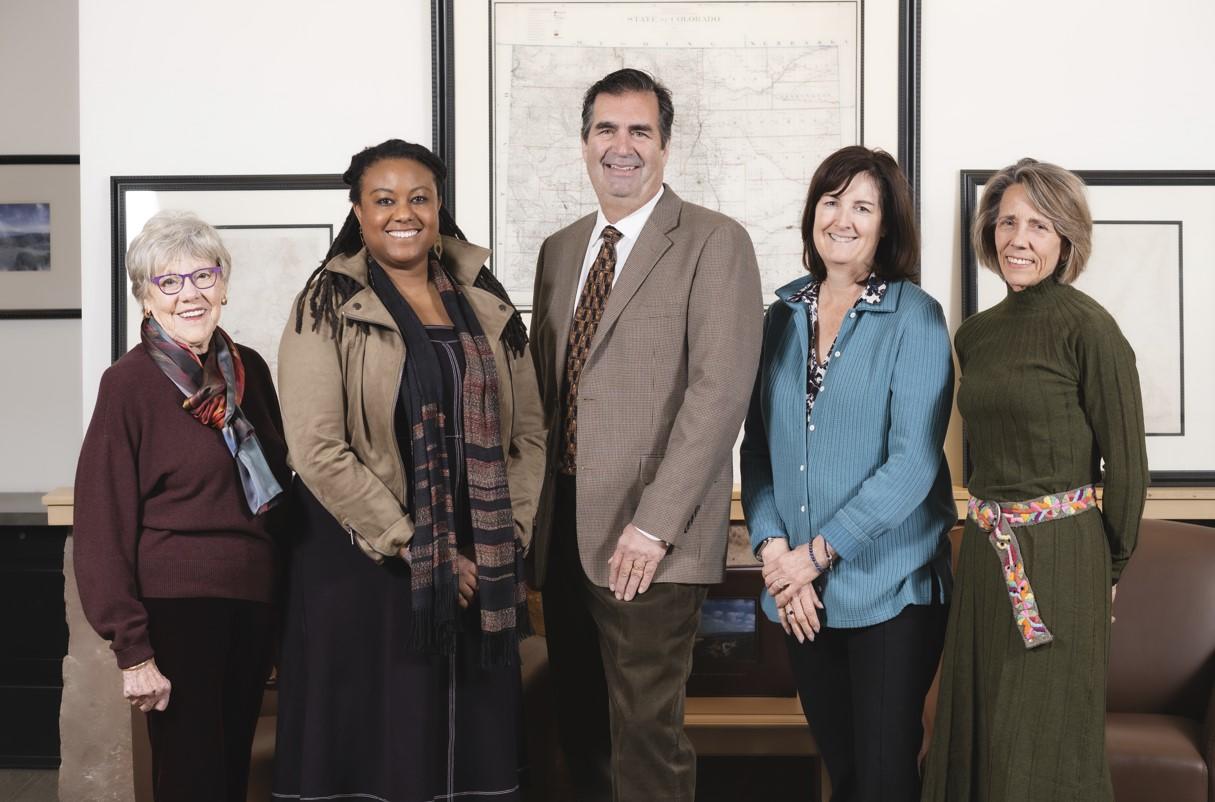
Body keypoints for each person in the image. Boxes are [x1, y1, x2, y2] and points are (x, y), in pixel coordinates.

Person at [272, 139, 545, 802]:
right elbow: (315, 449)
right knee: (378, 747)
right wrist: (415, 542)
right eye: (384, 199)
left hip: (480, 564)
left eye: (418, 197)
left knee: (472, 748)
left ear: (439, 206)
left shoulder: (484, 300)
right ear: (358, 213)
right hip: (366, 562)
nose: (403, 212)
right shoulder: (326, 303)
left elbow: (530, 433)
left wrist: (506, 533)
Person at [529, 67, 763, 801]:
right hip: (562, 531)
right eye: (606, 129)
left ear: (664, 147)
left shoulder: (712, 242)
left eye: (639, 130)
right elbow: (547, 393)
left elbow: (718, 396)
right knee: (581, 734)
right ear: (583, 142)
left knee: (645, 742)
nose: (620, 146)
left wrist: (653, 527)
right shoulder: (560, 249)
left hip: (648, 543)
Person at [921, 158, 1149, 802]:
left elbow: (1127, 465)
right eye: (1008, 221)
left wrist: (1106, 572)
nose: (1019, 238)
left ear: (1066, 238)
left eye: (1039, 225)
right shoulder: (975, 336)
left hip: (1066, 565)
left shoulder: (1091, 328)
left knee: (1041, 746)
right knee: (980, 734)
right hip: (988, 564)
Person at [740, 146, 955, 801]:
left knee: (886, 778)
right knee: (845, 771)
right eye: (831, 201)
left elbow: (913, 461)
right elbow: (757, 451)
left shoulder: (913, 316)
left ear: (884, 225)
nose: (842, 218)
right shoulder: (779, 316)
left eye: (862, 206)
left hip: (889, 590)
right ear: (812, 213)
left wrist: (816, 554)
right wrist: (778, 555)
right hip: (799, 597)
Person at [74, 210, 289, 802]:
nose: (189, 294)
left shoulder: (251, 372)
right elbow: (101, 521)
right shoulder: (129, 383)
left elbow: (280, 494)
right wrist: (132, 647)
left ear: (223, 284)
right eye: (168, 282)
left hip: (251, 599)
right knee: (192, 778)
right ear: (145, 296)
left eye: (203, 275)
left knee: (230, 773)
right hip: (176, 608)